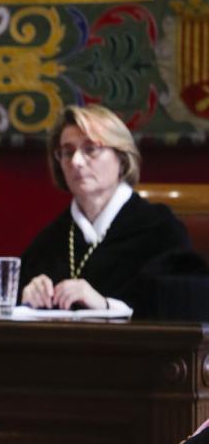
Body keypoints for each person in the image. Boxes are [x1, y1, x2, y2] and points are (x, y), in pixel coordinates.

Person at [20, 104, 192, 315]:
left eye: (90, 149)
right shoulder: (48, 242)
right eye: (67, 152)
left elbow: (181, 312)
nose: (76, 162)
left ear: (121, 158)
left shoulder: (161, 231)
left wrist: (106, 306)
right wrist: (27, 299)